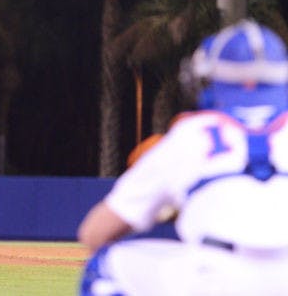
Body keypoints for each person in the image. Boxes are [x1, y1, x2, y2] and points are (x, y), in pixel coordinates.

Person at [78, 19, 288, 296]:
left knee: (107, 265)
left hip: (215, 277)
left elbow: (94, 233)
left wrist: (176, 206)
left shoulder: (192, 132)